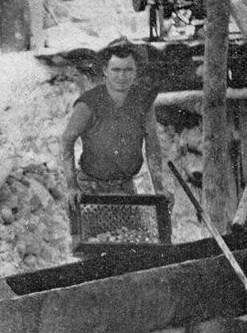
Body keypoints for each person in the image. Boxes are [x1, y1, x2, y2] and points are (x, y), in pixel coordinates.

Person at [60, 37, 175, 209]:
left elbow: (152, 142)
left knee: (128, 235)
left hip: (126, 189)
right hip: (91, 190)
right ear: (105, 70)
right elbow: (66, 141)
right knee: (97, 236)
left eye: (128, 69)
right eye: (116, 70)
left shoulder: (143, 102)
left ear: (136, 71)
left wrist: (158, 187)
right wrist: (71, 187)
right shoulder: (88, 104)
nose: (122, 76)